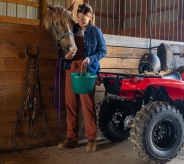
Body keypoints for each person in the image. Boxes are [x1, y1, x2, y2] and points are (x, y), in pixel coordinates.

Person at [58, 3, 107, 152]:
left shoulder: (96, 32)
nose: (81, 21)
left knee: (87, 105)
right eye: (79, 18)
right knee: (70, 103)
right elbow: (63, 48)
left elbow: (103, 51)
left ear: (90, 17)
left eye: (84, 19)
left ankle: (92, 139)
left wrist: (91, 59)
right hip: (71, 68)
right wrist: (67, 56)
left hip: (87, 70)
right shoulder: (72, 29)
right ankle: (72, 138)